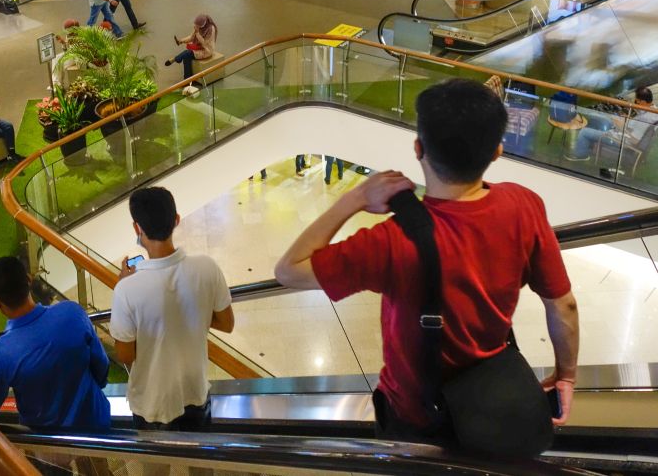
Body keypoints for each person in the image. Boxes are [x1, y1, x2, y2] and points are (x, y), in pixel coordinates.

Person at [274, 78, 580, 445]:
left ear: (418, 149)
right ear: (497, 151)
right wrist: (566, 375)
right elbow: (563, 305)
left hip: (415, 414)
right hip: (489, 398)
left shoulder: (391, 241)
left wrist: (354, 199)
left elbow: (288, 270)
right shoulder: (524, 205)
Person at [110, 186, 234, 432]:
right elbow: (227, 324)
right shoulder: (207, 268)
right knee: (202, 464)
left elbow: (125, 355)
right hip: (195, 390)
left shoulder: (126, 290)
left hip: (151, 400)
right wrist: (191, 314)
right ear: (176, 220)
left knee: (155, 468)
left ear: (137, 228)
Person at [0, 256, 111, 432]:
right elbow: (101, 365)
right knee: (99, 458)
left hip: (48, 443)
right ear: (29, 280)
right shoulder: (72, 312)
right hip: (96, 423)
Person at [571, 86, 658, 167]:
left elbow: (635, 141)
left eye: (636, 101)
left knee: (584, 132)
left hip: (620, 140)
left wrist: (621, 127)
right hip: (622, 133)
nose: (634, 103)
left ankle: (580, 155)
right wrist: (627, 121)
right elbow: (637, 128)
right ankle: (586, 147)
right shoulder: (653, 110)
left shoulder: (646, 119)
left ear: (642, 102)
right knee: (598, 119)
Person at [164, 14, 217, 92]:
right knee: (186, 57)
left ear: (203, 25)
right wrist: (181, 41)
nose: (196, 27)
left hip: (206, 50)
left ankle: (175, 59)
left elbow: (205, 43)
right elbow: (191, 37)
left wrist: (197, 33)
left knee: (187, 53)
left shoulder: (211, 29)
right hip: (199, 47)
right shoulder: (199, 28)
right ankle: (187, 80)